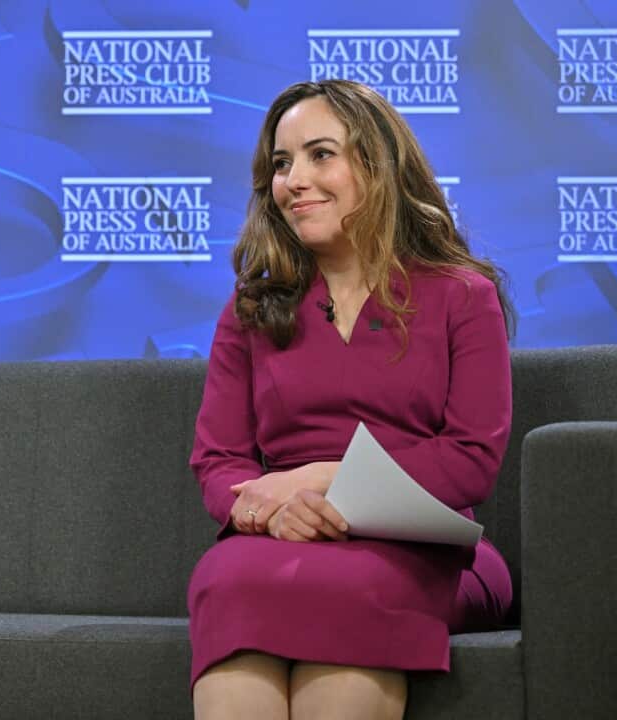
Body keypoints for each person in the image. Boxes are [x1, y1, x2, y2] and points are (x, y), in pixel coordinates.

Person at [187, 79, 514, 720]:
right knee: (225, 580)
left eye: (319, 155)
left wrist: (326, 479)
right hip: (279, 543)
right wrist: (270, 514)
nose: (294, 180)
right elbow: (218, 461)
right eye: (281, 164)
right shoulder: (252, 308)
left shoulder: (462, 296)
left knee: (352, 587)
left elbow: (471, 460)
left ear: (376, 165)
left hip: (424, 550)